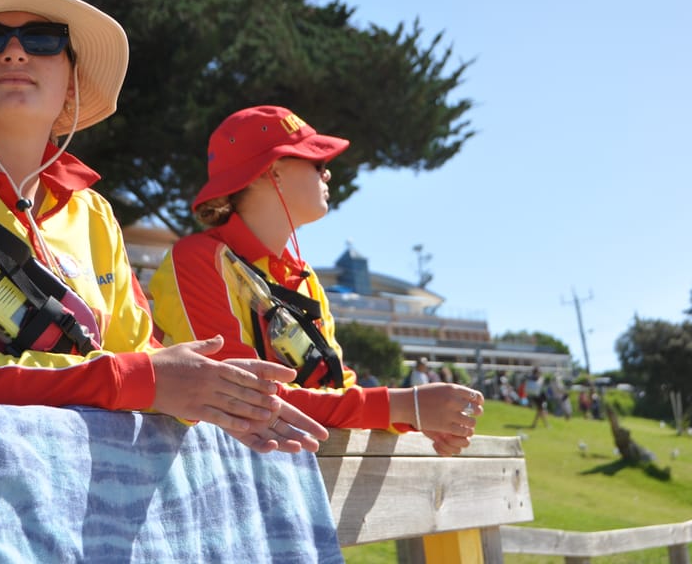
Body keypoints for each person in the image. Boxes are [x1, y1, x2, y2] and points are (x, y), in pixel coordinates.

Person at [0, 0, 328, 454]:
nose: (14, 51)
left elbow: (141, 356)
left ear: (71, 82)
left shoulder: (93, 213)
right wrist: (144, 380)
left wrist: (223, 395)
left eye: (44, 39)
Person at [149, 105, 483, 455]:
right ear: (273, 172)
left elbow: (335, 384)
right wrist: (401, 406)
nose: (329, 175)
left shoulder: (305, 277)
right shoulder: (197, 258)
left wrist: (413, 416)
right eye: (318, 164)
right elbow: (237, 398)